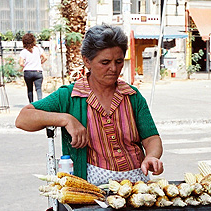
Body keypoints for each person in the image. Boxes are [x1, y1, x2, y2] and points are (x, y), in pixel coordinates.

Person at [15, 24, 163, 185]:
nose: (114, 68)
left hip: (137, 182)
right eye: (105, 62)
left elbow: (151, 138)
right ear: (87, 61)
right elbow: (23, 119)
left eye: (119, 61)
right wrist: (65, 119)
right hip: (90, 186)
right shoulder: (69, 95)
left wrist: (151, 156)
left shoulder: (132, 96)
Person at [19, 33, 47, 103]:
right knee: (38, 89)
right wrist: (40, 63)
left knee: (30, 89)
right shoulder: (38, 49)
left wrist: (25, 65)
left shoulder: (23, 51)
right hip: (38, 71)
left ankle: (31, 104)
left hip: (28, 72)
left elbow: (21, 63)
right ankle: (40, 103)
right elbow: (45, 57)